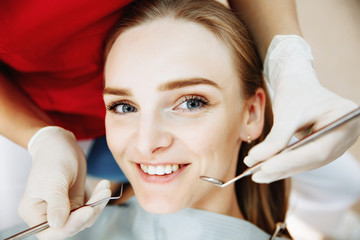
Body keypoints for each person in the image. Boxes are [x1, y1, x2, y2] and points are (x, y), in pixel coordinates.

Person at [0, 0, 359, 236]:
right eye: (122, 105)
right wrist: (41, 136)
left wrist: (291, 62)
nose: (146, 143)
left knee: (346, 182)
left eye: (190, 102)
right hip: (26, 107)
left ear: (253, 113)